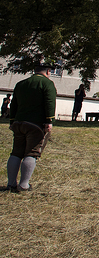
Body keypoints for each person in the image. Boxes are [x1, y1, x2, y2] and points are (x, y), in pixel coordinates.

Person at [2, 62, 56, 193]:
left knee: (16, 153)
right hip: (35, 124)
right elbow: (50, 102)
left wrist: (12, 121)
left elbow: (14, 104)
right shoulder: (47, 84)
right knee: (31, 153)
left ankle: (11, 183)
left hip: (19, 123)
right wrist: (49, 120)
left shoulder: (21, 84)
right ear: (48, 72)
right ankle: (24, 185)